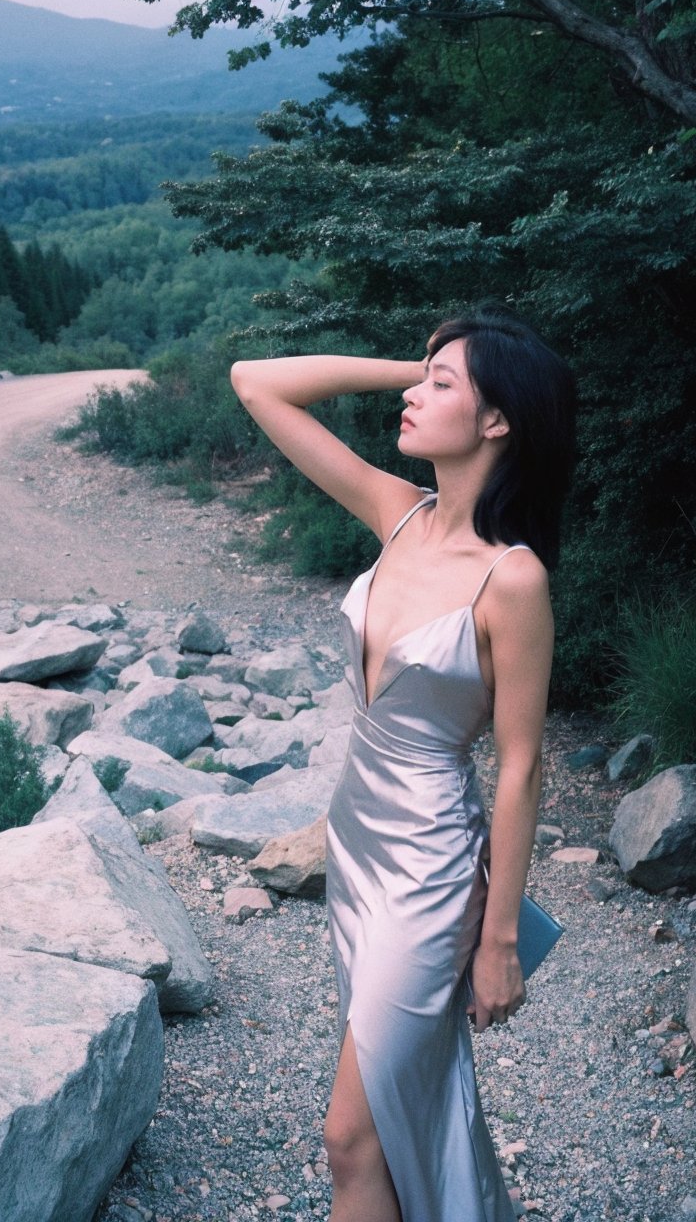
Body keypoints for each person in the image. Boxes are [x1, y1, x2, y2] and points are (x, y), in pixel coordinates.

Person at [230, 309, 576, 1222]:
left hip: (429, 868)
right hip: (357, 843)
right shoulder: (399, 513)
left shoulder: (513, 579)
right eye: (422, 381)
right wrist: (414, 364)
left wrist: (499, 942)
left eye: (443, 386)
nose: (417, 397)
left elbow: (521, 768)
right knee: (383, 1124)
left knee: (349, 1134)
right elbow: (254, 381)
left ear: (498, 420)